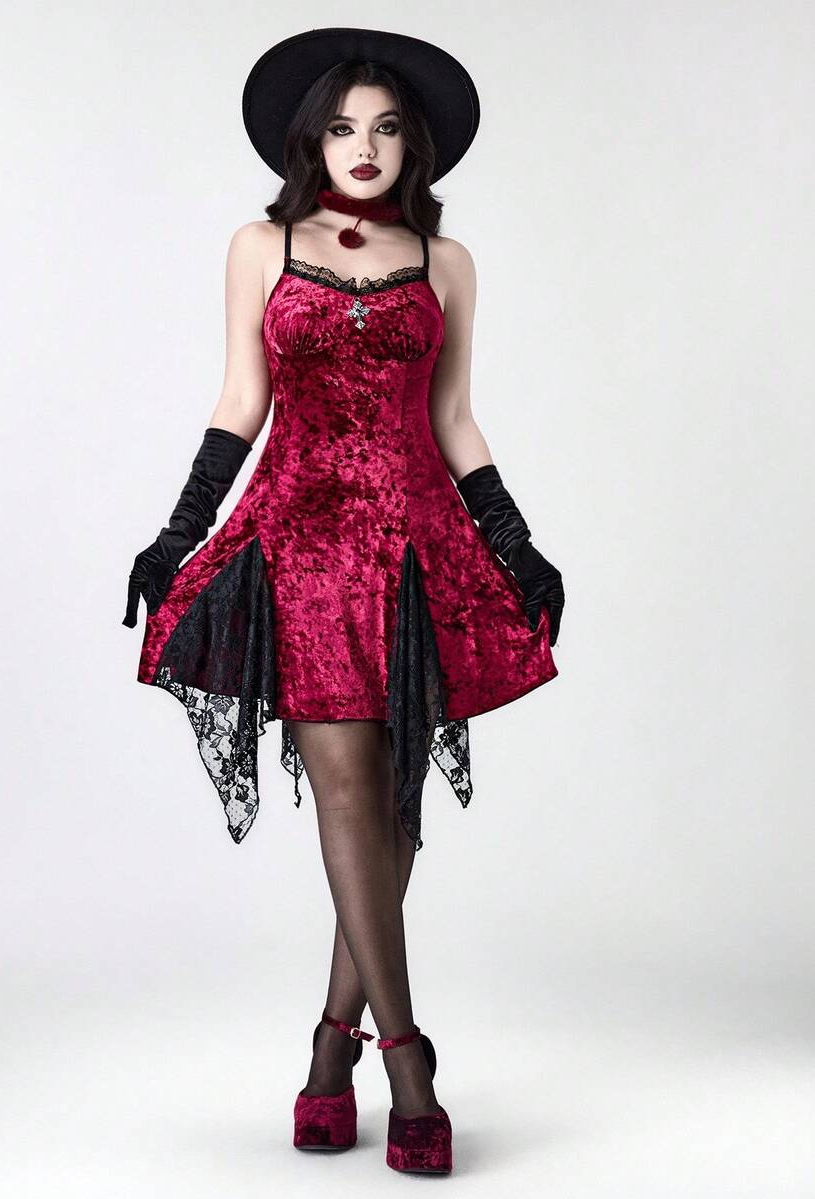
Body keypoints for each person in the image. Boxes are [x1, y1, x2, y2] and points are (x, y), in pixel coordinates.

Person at [122, 27, 564, 1175]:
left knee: (394, 797)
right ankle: (408, 1060)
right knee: (351, 793)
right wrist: (179, 532)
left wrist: (517, 546)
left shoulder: (446, 260)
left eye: (385, 128)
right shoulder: (261, 246)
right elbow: (240, 398)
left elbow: (453, 417)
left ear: (413, 144)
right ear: (308, 139)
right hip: (303, 545)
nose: (363, 147)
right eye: (341, 127)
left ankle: (331, 1047)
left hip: (417, 548)